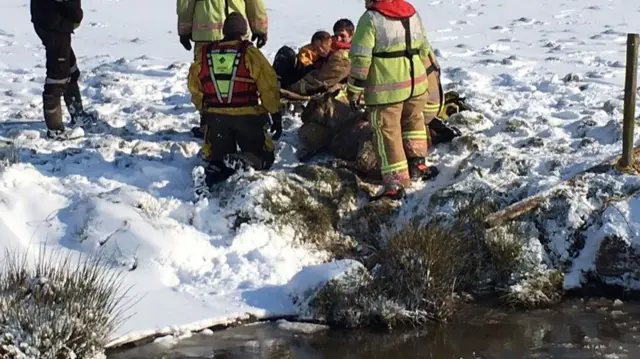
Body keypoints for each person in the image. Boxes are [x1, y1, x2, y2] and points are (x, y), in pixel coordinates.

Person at [346, 0, 439, 200]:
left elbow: (361, 58)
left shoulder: (370, 19)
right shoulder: (412, 12)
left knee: (388, 132)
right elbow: (424, 48)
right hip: (416, 83)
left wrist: (354, 89)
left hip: (386, 88)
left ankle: (396, 184)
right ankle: (418, 164)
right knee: (413, 121)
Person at [187, 12, 282, 188]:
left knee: (218, 156)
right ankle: (244, 160)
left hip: (216, 119)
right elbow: (268, 86)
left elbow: (195, 87)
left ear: (224, 31)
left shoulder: (204, 55)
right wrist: (275, 114)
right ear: (244, 32)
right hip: (247, 118)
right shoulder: (250, 54)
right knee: (264, 158)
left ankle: (216, 168)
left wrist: (203, 110)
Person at [177, 0, 269, 138]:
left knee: (207, 79)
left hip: (206, 32)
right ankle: (243, 121)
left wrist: (184, 30)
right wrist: (259, 28)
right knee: (240, 77)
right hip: (237, 29)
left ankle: (209, 124)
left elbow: (186, 3)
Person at [30, 0, 92, 140]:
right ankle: (55, 129)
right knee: (58, 75)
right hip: (53, 22)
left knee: (70, 68)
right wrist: (76, 15)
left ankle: (78, 114)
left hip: (50, 19)